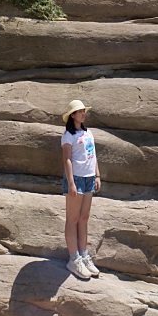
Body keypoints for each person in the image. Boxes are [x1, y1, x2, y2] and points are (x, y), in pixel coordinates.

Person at [61, 99, 101, 279]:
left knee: (84, 218)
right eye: (79, 111)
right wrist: (71, 183)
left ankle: (84, 255)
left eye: (84, 110)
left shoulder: (88, 133)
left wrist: (97, 175)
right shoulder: (68, 136)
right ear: (72, 115)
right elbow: (67, 159)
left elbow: (93, 155)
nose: (83, 113)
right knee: (73, 218)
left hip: (89, 177)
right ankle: (73, 258)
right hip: (76, 178)